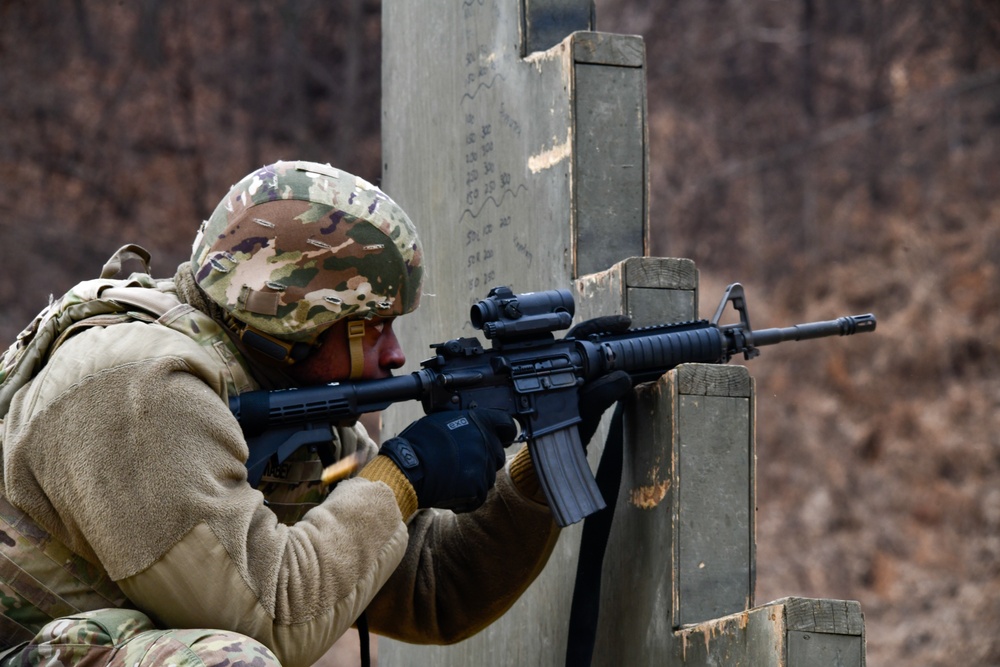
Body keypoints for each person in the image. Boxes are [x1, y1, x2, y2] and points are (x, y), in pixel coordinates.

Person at [0, 160, 627, 666]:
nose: (395, 353)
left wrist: (537, 470)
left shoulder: (277, 391)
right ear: (296, 317)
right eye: (371, 327)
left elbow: (433, 588)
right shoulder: (138, 386)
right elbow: (271, 618)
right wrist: (402, 474)